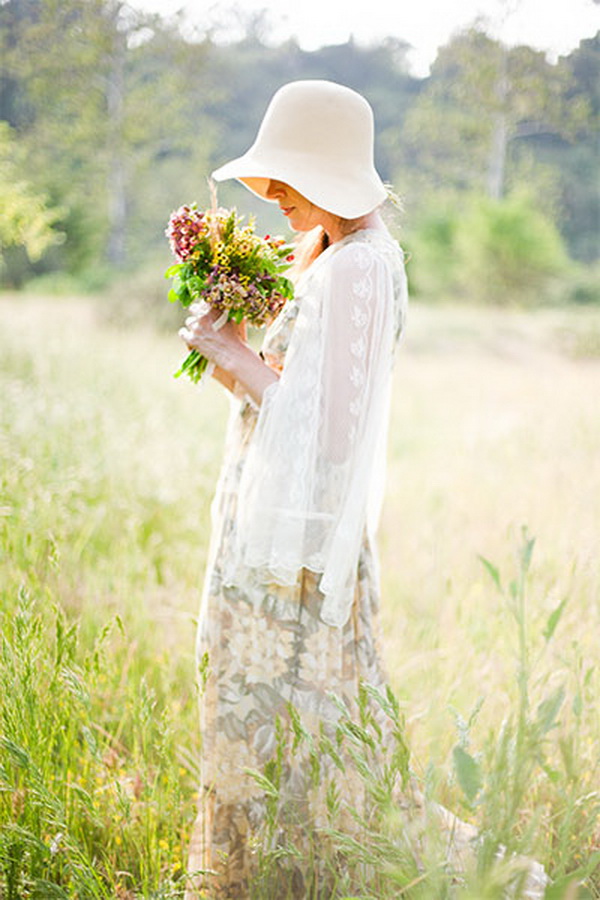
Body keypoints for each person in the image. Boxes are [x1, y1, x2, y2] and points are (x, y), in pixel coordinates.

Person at [179, 80, 548, 899]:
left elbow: (333, 437)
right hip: (277, 524)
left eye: (284, 180)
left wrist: (227, 351)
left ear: (324, 171)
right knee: (274, 726)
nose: (271, 198)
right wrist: (231, 338)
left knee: (315, 736)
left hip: (299, 551)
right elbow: (295, 392)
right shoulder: (334, 257)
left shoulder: (359, 268)